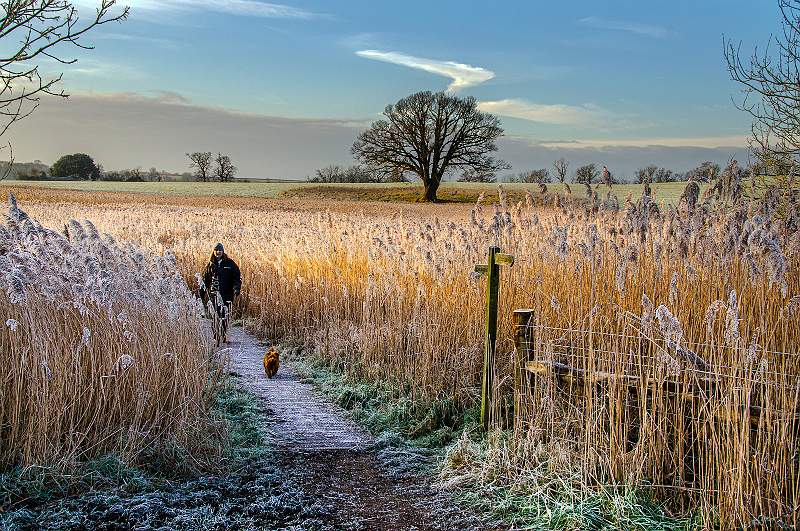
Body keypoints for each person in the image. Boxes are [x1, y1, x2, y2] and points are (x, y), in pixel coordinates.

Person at [202, 243, 241, 344]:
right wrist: (201, 295)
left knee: (224, 316)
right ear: (213, 251)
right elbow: (205, 281)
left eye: (220, 250)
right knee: (215, 316)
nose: (218, 252)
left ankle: (223, 335)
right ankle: (216, 337)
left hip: (227, 294)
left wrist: (236, 288)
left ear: (223, 251)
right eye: (216, 250)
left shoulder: (230, 263)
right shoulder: (210, 264)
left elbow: (237, 277)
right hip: (214, 294)